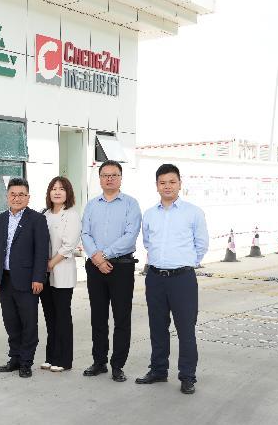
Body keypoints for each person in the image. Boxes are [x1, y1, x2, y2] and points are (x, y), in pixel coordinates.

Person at [135, 164, 208, 395]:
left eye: (172, 182)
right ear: (156, 185)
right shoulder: (149, 214)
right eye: (162, 182)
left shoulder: (193, 212)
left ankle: (187, 376)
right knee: (157, 327)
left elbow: (201, 245)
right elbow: (148, 242)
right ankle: (158, 370)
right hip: (155, 278)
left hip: (182, 279)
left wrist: (183, 263)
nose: (167, 186)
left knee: (185, 329)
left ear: (179, 183)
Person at [80, 160, 142, 383]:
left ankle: (118, 365)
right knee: (98, 317)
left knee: (121, 318)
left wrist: (102, 255)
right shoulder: (91, 205)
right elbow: (85, 233)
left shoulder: (131, 205)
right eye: (105, 175)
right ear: (100, 178)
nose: (109, 178)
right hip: (95, 267)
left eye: (114, 175)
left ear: (120, 178)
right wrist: (96, 258)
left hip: (122, 267)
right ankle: (99, 362)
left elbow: (130, 235)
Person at [0, 178, 49, 378]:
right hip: (4, 280)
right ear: (7, 197)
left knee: (29, 323)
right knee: (11, 322)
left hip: (28, 280)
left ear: (28, 197)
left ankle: (26, 362)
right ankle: (14, 358)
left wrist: (39, 277)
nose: (17, 198)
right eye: (13, 194)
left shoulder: (37, 219)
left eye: (21, 194)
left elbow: (41, 251)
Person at [39, 177, 82, 372]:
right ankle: (51, 356)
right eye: (53, 189)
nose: (57, 192)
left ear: (68, 193)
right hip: (45, 274)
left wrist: (49, 264)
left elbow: (68, 246)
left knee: (62, 316)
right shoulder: (45, 214)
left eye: (61, 189)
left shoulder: (71, 215)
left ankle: (64, 359)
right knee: (50, 316)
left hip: (61, 271)